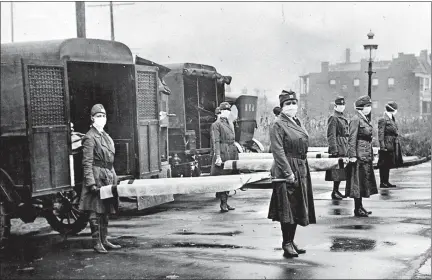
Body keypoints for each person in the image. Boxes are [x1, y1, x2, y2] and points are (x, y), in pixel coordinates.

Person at [268, 90, 316, 258]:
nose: (292, 106)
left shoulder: (296, 121)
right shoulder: (278, 124)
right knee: (287, 209)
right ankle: (286, 243)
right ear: (281, 107)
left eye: (294, 103)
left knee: (296, 206)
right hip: (286, 168)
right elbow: (278, 151)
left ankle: (291, 240)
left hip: (300, 166)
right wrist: (288, 173)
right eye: (288, 104)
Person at [79, 104, 121, 253]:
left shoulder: (106, 136)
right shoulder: (90, 137)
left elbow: (110, 160)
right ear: (92, 118)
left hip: (107, 175)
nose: (101, 119)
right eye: (98, 116)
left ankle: (104, 240)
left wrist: (114, 178)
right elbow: (87, 162)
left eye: (103, 116)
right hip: (96, 176)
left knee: (106, 208)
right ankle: (97, 242)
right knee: (95, 210)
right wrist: (90, 183)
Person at [345, 95, 378, 217]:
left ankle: (360, 207)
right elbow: (351, 139)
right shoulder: (356, 119)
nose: (369, 108)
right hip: (358, 155)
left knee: (362, 182)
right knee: (357, 183)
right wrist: (352, 155)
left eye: (369, 106)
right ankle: (357, 208)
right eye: (367, 106)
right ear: (361, 107)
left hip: (365, 154)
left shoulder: (364, 119)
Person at [211, 102, 238, 212]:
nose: (227, 112)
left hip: (231, 151)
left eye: (228, 110)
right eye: (225, 110)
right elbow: (216, 141)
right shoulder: (216, 124)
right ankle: (223, 203)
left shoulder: (229, 122)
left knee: (230, 177)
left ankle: (226, 202)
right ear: (220, 111)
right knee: (223, 178)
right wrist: (218, 156)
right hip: (223, 151)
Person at [326, 96, 349, 200]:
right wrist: (334, 149)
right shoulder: (334, 118)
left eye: (343, 105)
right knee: (336, 171)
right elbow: (331, 135)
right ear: (335, 106)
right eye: (340, 105)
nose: (342, 107)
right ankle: (334, 191)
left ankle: (337, 190)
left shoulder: (341, 117)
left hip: (344, 146)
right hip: (338, 146)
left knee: (341, 171)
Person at [378, 101, 403, 188]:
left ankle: (386, 181)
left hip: (392, 143)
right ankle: (383, 182)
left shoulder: (392, 118)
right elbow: (381, 133)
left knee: (388, 163)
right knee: (384, 164)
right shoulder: (383, 119)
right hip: (386, 142)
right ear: (392, 109)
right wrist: (382, 146)